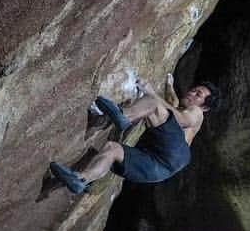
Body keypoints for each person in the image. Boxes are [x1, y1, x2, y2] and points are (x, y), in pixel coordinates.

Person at [49, 75, 221, 194]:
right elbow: (173, 103)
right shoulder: (177, 113)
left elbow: (182, 119)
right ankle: (81, 180)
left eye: (198, 95)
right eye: (193, 90)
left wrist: (152, 93)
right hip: (158, 170)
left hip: (176, 155)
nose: (192, 93)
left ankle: (125, 116)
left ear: (205, 107)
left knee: (153, 103)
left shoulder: (197, 113)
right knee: (112, 149)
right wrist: (169, 84)